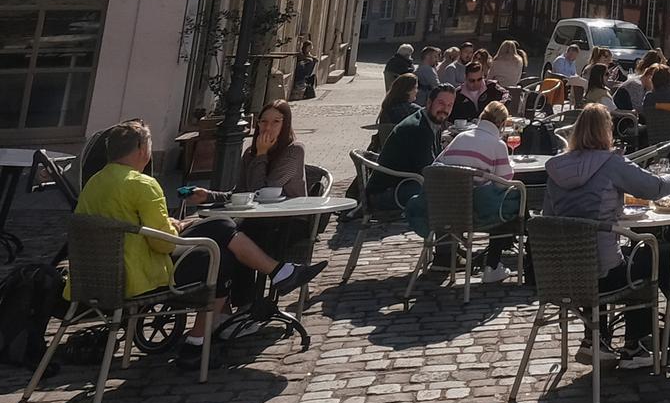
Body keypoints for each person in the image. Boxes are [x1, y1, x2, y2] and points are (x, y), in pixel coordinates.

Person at [79, 120, 319, 359]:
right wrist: (176, 229)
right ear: (142, 150)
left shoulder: (93, 183)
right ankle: (276, 276)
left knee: (219, 238)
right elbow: (164, 244)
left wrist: (174, 225)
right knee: (221, 240)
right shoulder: (143, 184)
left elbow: (124, 224)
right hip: (142, 275)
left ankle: (203, 337)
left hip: (100, 276)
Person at [542, 104, 670, 369]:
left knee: (606, 253)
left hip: (563, 273)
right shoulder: (611, 162)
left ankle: (595, 338)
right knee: (652, 255)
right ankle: (638, 344)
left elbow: (548, 218)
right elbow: (653, 188)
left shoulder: (556, 168)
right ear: (606, 131)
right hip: (603, 274)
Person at [423, 99, 523, 283]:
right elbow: (503, 183)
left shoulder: (461, 137)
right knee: (511, 202)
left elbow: (437, 165)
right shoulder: (497, 145)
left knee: (495, 199)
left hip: (448, 210)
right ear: (501, 124)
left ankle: (482, 261)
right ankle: (492, 265)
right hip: (476, 212)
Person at [374, 85, 457, 210]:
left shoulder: (433, 121)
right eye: (441, 103)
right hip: (387, 192)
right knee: (448, 194)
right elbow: (428, 170)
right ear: (429, 102)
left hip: (407, 182)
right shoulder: (419, 128)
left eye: (449, 105)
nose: (444, 109)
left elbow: (435, 161)